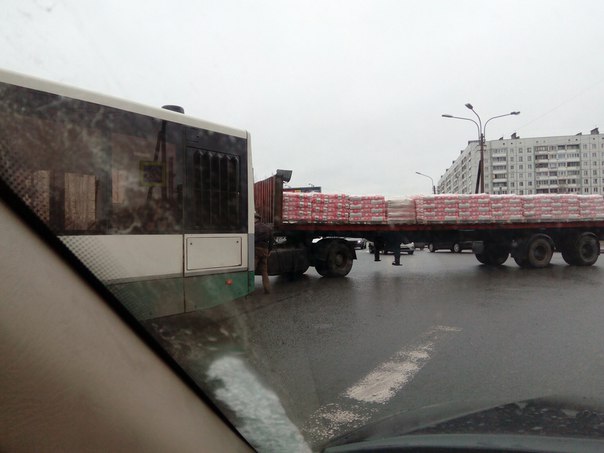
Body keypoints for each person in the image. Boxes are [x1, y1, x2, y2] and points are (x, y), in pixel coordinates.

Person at [254, 212, 273, 293]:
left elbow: (253, 239)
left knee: (252, 269)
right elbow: (271, 241)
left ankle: (249, 289)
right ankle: (267, 289)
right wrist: (269, 250)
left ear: (255, 218)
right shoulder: (268, 228)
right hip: (265, 250)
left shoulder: (253, 227)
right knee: (264, 271)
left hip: (256, 249)